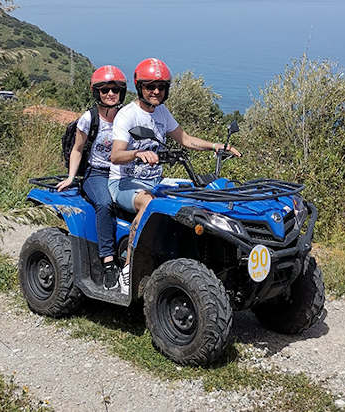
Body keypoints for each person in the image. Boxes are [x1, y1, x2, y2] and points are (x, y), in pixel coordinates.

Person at [109, 58, 242, 295]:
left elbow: (185, 139)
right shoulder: (127, 116)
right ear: (139, 87)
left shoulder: (161, 112)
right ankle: (128, 270)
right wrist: (138, 153)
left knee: (200, 193)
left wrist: (216, 146)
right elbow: (116, 155)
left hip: (154, 182)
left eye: (161, 87)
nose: (156, 91)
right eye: (150, 86)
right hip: (123, 183)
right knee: (149, 203)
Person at [56, 65, 127, 290]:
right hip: (96, 172)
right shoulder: (89, 118)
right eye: (104, 90)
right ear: (97, 92)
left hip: (122, 171)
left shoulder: (125, 117)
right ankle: (108, 262)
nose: (110, 94)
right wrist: (71, 177)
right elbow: (77, 149)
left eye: (115, 90)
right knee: (105, 203)